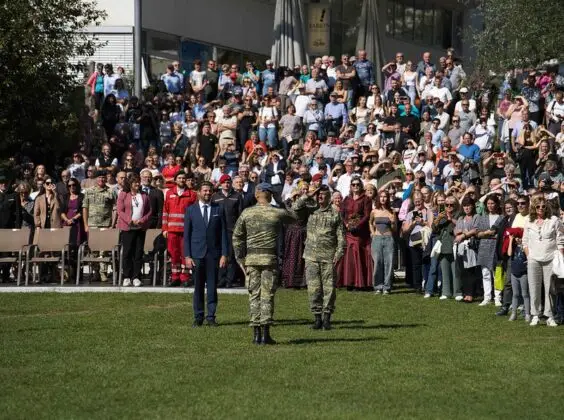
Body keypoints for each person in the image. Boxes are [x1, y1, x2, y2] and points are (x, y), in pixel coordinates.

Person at [232, 183, 296, 345]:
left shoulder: (247, 213)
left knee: (254, 295)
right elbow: (295, 216)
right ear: (270, 195)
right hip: (269, 260)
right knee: (267, 296)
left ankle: (256, 334)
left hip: (252, 260)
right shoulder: (276, 212)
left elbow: (237, 236)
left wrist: (240, 258)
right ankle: (265, 334)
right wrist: (281, 201)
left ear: (256, 195)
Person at [292, 185, 345, 329]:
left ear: (329, 197)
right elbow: (295, 208)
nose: (320, 196)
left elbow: (341, 235)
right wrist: (309, 195)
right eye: (318, 194)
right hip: (311, 256)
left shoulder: (335, 213)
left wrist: (339, 252)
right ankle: (317, 318)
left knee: (329, 289)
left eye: (322, 194)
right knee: (313, 289)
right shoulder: (310, 210)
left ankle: (327, 318)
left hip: (329, 257)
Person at [184, 181, 228, 327]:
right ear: (198, 192)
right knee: (198, 287)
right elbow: (187, 235)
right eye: (205, 191)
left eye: (210, 191)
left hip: (213, 254)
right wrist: (187, 256)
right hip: (197, 254)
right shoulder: (191, 210)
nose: (207, 193)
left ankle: (211, 316)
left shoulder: (219, 209)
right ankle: (198, 316)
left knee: (212, 286)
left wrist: (224, 254)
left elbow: (223, 233)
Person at [523, 195, 563, 327]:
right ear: (533, 207)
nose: (541, 209)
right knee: (534, 287)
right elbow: (525, 242)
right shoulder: (529, 221)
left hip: (550, 258)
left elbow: (560, 240)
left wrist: (560, 257)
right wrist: (529, 256)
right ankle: (535, 314)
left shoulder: (554, 220)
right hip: (534, 259)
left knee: (550, 289)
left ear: (547, 207)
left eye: (543, 206)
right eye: (538, 206)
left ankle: (549, 315)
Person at [162, 171, 197, 286]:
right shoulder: (169, 193)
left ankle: (185, 277)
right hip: (172, 230)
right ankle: (175, 277)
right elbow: (165, 212)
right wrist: (165, 229)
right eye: (180, 178)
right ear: (175, 180)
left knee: (185, 254)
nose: (182, 180)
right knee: (174, 254)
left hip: (186, 231)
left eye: (183, 178)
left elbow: (194, 214)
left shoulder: (192, 194)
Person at [117, 174, 152, 287]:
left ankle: (136, 277)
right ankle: (126, 276)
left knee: (138, 252)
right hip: (128, 228)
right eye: (135, 182)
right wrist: (130, 220)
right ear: (130, 184)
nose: (137, 184)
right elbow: (120, 210)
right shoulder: (123, 194)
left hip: (140, 228)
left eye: (138, 182)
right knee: (127, 252)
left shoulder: (144, 195)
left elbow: (149, 211)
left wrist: (142, 220)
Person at [338, 178, 372, 289]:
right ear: (351, 186)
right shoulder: (346, 199)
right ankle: (349, 281)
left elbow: (367, 215)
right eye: (353, 184)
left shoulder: (365, 199)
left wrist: (356, 226)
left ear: (361, 185)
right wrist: (346, 224)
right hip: (349, 232)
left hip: (361, 232)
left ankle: (360, 282)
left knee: (358, 253)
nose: (355, 186)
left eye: (357, 184)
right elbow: (342, 214)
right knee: (349, 255)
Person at [211, 174, 244, 288]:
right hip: (218, 230)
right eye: (224, 182)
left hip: (231, 230)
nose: (226, 184)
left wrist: (239, 230)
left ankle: (229, 280)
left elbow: (241, 214)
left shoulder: (237, 196)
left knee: (230, 255)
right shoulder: (215, 197)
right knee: (219, 254)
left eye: (228, 182)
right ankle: (221, 278)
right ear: (220, 184)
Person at [83, 171, 115, 282]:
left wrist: (113, 224)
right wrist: (86, 225)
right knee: (93, 250)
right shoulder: (89, 191)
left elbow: (114, 208)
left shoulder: (110, 191)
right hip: (92, 225)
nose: (101, 179)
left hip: (105, 224)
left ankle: (103, 273)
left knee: (104, 251)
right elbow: (85, 207)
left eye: (103, 177)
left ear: (106, 179)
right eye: (99, 177)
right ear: (96, 179)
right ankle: (95, 272)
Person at [475, 194, 503, 306]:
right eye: (488, 203)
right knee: (485, 273)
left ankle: (497, 297)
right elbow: (478, 233)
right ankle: (487, 297)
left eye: (492, 203)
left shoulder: (501, 218)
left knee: (497, 274)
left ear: (496, 204)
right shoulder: (483, 217)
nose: (490, 205)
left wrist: (491, 235)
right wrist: (486, 233)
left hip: (496, 247)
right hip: (484, 247)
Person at [369, 189, 396, 294]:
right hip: (377, 239)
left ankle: (387, 287)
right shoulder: (374, 211)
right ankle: (378, 286)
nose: (383, 198)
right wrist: (372, 232)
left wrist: (393, 223)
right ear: (378, 198)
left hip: (389, 239)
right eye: (381, 196)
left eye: (385, 196)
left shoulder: (391, 211)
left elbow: (394, 229)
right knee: (377, 263)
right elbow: (370, 222)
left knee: (388, 263)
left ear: (388, 198)